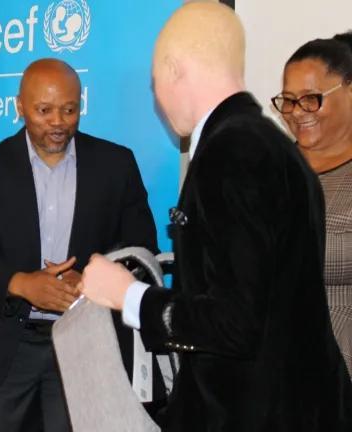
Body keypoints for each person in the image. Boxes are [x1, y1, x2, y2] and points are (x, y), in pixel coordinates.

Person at [79, 2, 352, 431]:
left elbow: (233, 324)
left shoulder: (231, 153)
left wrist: (127, 295)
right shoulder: (276, 148)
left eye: (154, 83)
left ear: (173, 69)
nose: (157, 99)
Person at [0, 58, 161, 431]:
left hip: (86, 343)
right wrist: (23, 284)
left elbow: (142, 249)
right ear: (20, 107)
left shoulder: (116, 164)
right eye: (44, 110)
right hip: (9, 346)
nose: (58, 122)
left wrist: (91, 282)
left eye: (69, 110)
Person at [273, 38, 352, 377]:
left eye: (310, 99)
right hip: (267, 375)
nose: (296, 112)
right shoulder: (267, 167)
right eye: (288, 101)